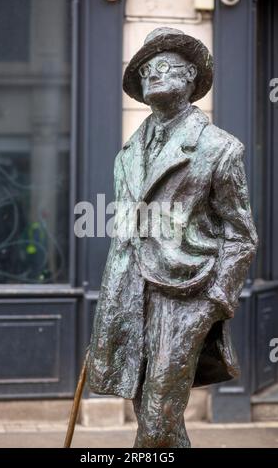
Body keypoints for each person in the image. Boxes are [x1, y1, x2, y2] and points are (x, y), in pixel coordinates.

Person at [87, 28, 258, 448]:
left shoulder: (219, 149)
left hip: (187, 293)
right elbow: (124, 235)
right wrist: (109, 304)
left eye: (163, 66)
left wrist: (214, 303)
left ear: (190, 76)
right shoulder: (128, 152)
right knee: (154, 411)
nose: (152, 75)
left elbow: (241, 236)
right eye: (146, 70)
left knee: (159, 414)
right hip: (129, 292)